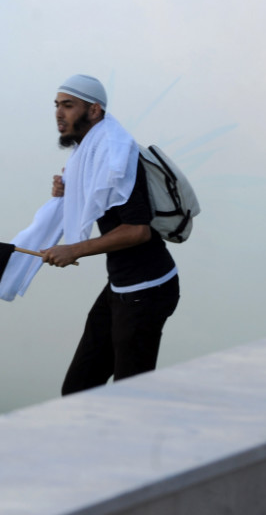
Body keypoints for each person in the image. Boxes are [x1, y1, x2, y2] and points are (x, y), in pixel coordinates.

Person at [40, 74, 180, 395]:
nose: (59, 114)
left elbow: (138, 231)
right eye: (57, 106)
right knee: (77, 389)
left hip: (147, 289)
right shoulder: (92, 150)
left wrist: (73, 250)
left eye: (69, 105)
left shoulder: (115, 156)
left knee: (129, 395)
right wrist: (68, 191)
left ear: (94, 111)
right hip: (121, 285)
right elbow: (100, 200)